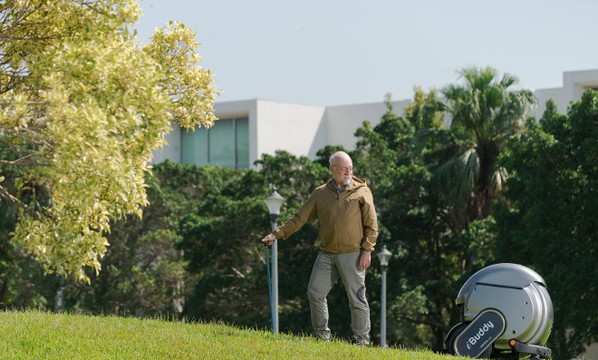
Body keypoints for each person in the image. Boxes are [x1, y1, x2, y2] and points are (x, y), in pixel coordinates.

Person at [261, 151, 378, 345]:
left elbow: (372, 225)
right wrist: (276, 234)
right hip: (327, 253)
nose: (348, 172)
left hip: (354, 254)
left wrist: (367, 250)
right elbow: (300, 217)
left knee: (357, 299)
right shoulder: (320, 192)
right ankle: (322, 337)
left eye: (350, 168)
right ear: (332, 170)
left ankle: (362, 341)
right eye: (343, 169)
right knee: (315, 292)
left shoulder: (362, 191)